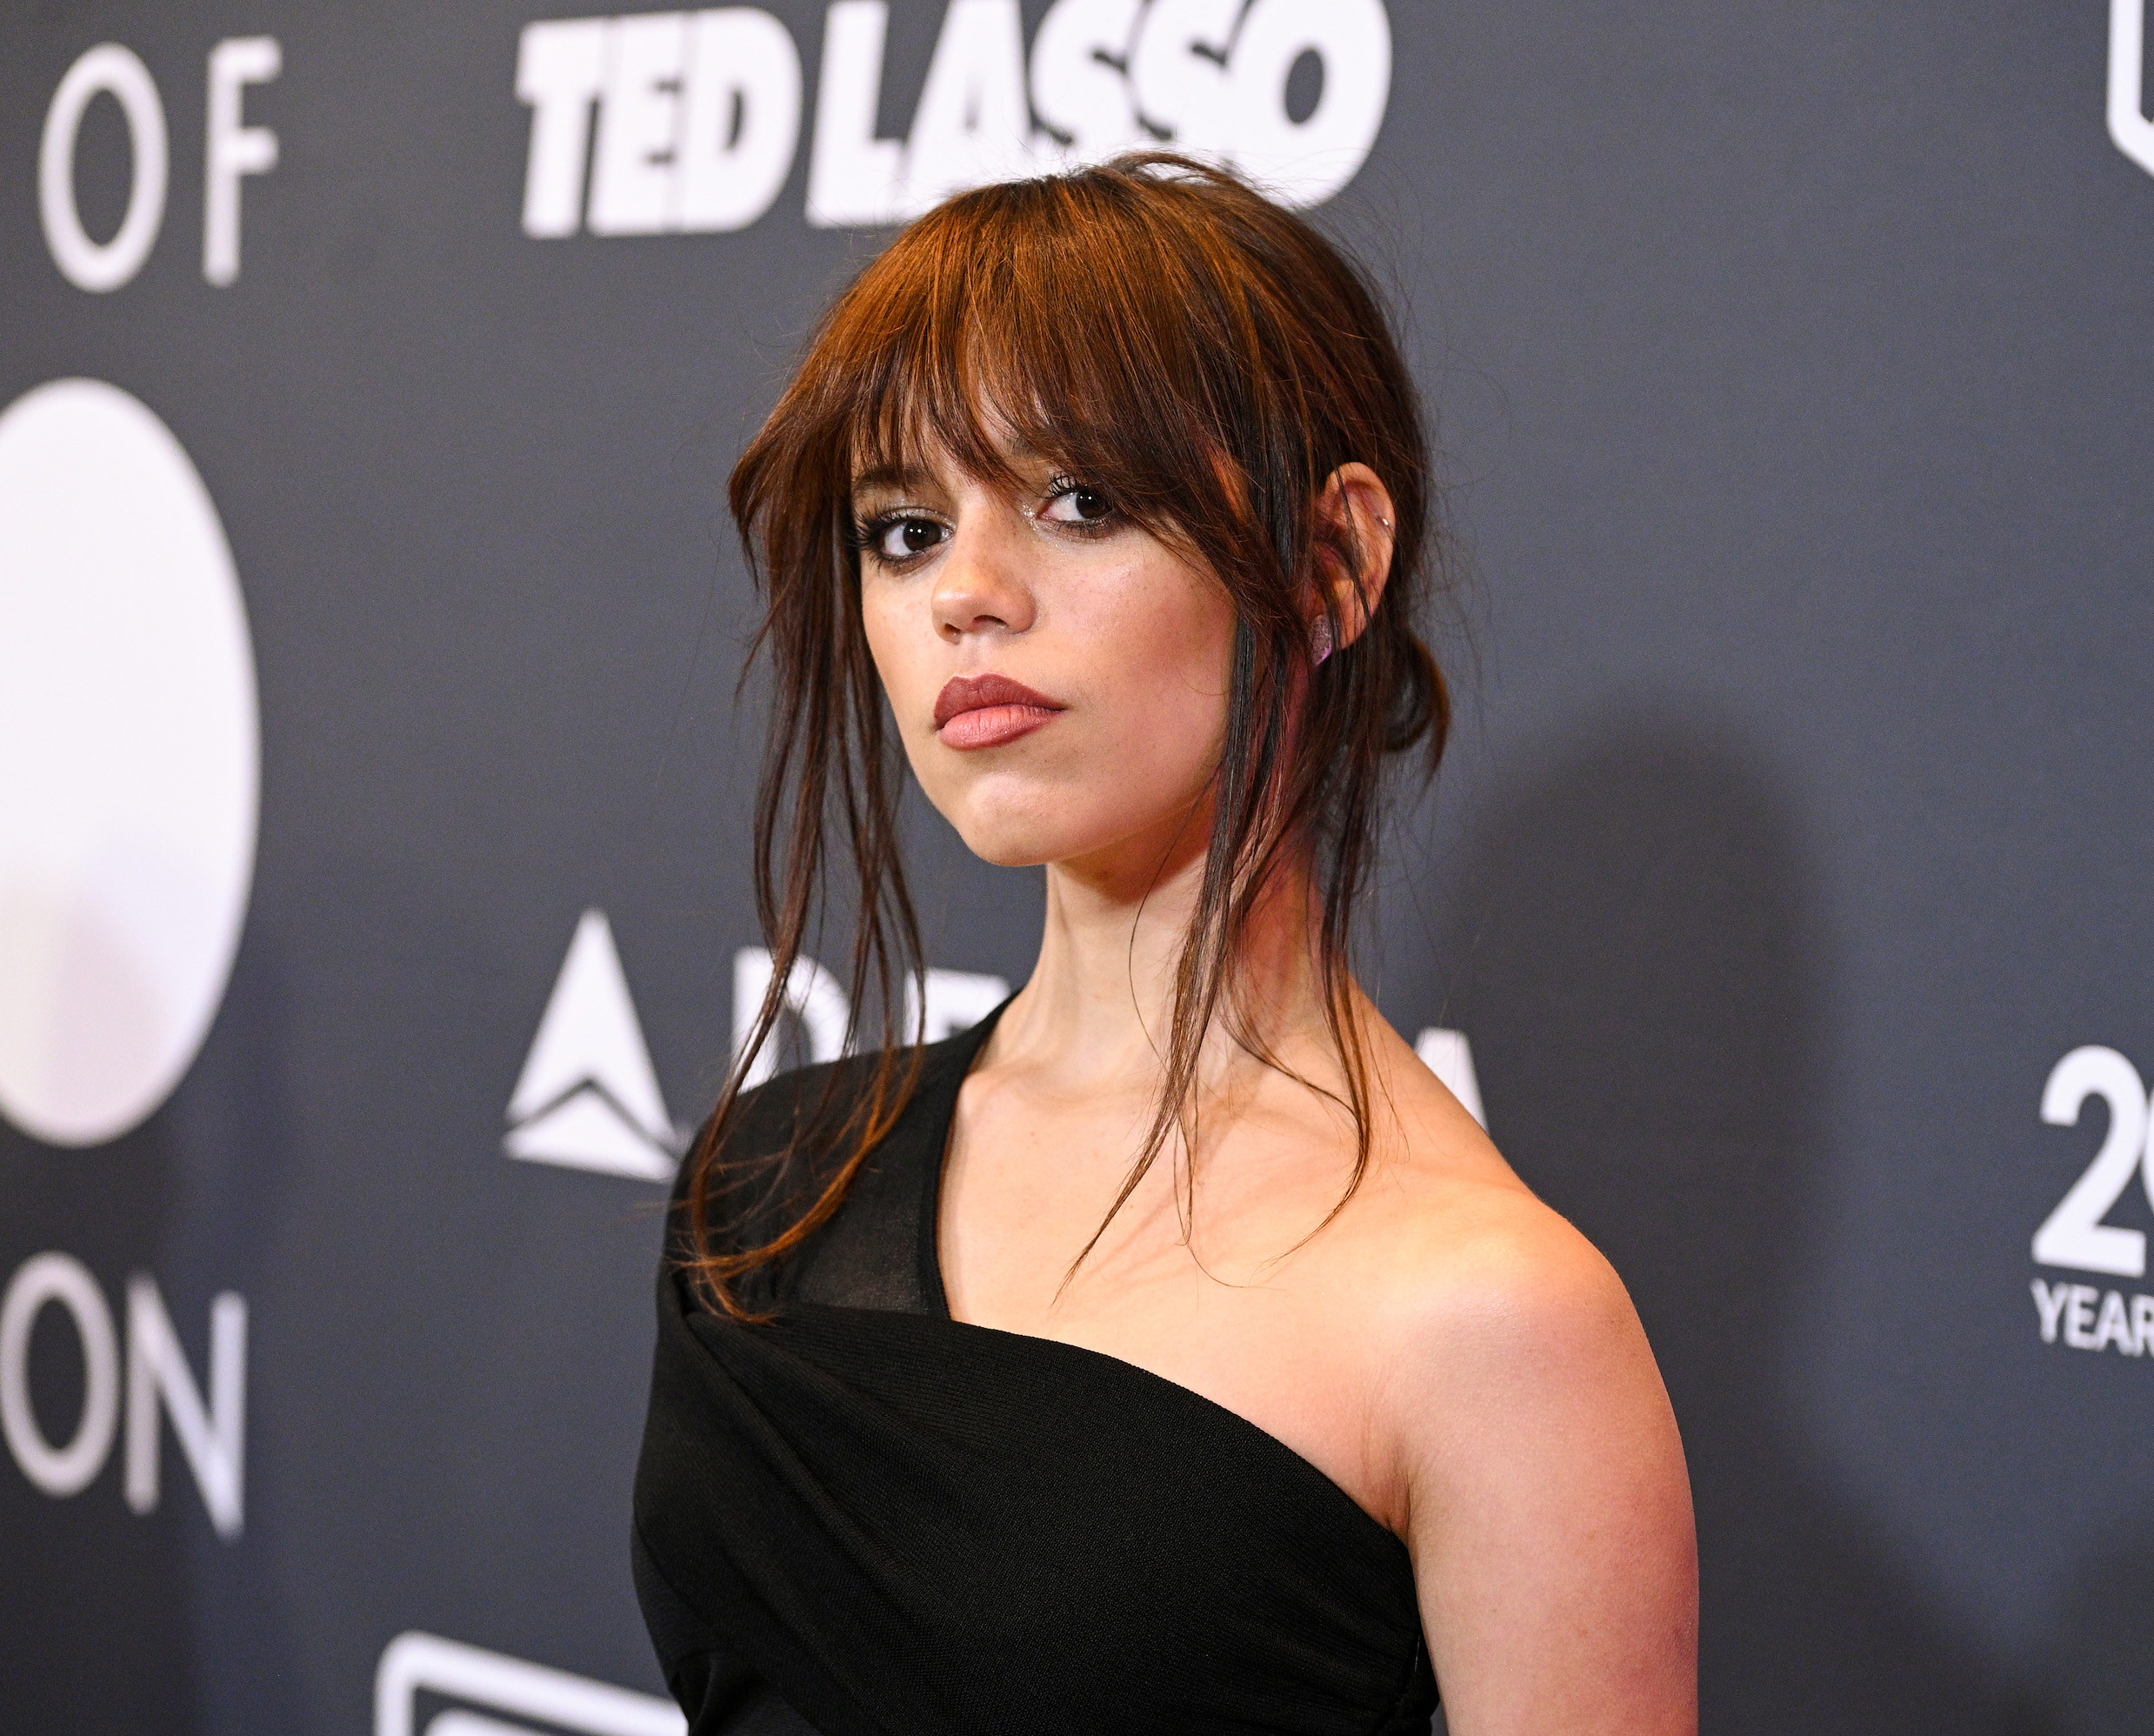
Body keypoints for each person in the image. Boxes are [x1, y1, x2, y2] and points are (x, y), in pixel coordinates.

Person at [632, 153, 1697, 1735]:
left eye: (1080, 501)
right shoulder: (775, 1176)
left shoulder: (1493, 1319)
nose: (967, 600)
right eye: (907, 528)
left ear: (1331, 563)